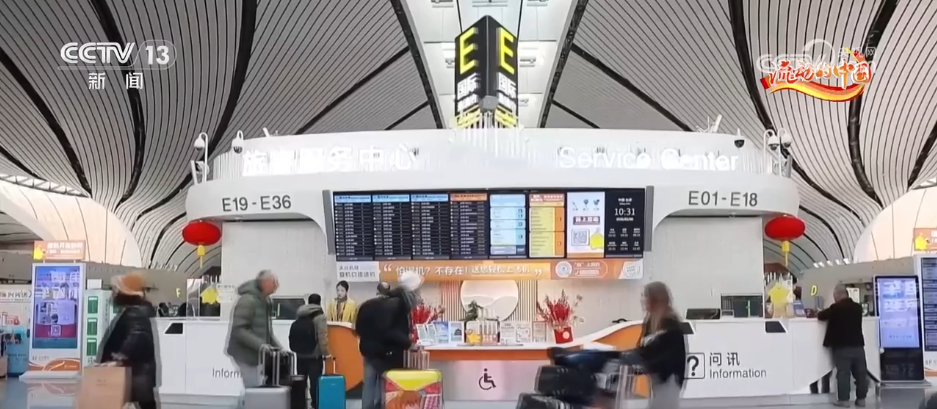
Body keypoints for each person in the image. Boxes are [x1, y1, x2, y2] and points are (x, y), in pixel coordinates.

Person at [354, 272, 422, 409]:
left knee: (369, 383)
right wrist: (409, 344)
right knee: (385, 384)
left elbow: (359, 328)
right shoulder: (398, 306)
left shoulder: (372, 304)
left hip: (368, 349)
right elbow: (392, 331)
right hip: (385, 353)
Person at [96, 272, 159, 409]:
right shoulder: (136, 310)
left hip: (135, 372)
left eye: (116, 290)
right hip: (139, 370)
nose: (114, 294)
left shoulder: (134, 312)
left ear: (126, 292)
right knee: (146, 403)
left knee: (144, 402)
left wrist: (119, 358)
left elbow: (137, 336)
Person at [226, 270, 282, 388]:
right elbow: (239, 330)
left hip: (256, 354)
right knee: (253, 387)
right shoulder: (247, 300)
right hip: (244, 354)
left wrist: (278, 348)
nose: (277, 285)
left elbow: (266, 332)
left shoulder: (265, 301)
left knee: (256, 387)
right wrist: (261, 345)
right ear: (265, 283)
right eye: (274, 282)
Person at [637, 281, 686, 409]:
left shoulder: (670, 323)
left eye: (645, 296)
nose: (642, 300)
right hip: (657, 382)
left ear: (655, 299)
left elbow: (669, 356)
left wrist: (646, 364)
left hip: (668, 380)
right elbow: (643, 347)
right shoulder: (650, 321)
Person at [818, 285, 868, 407]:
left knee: (843, 374)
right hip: (858, 345)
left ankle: (844, 400)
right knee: (861, 373)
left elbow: (821, 316)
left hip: (842, 347)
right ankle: (861, 399)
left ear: (839, 295)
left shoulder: (836, 308)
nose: (834, 298)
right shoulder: (858, 307)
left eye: (835, 296)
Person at [290, 293, 330, 407]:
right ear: (319, 302)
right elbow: (322, 336)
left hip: (300, 354)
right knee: (315, 382)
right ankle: (315, 404)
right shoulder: (320, 316)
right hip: (314, 355)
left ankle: (300, 404)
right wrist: (326, 353)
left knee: (301, 382)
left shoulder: (300, 314)